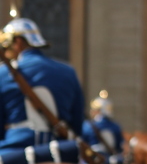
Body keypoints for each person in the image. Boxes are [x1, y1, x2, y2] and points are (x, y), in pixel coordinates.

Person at [0, 15, 84, 153]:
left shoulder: (2, 73)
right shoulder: (68, 71)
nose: (6, 53)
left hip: (16, 150)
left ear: (18, 42)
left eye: (7, 47)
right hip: (62, 151)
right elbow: (77, 124)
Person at [82, 90, 125, 164]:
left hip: (93, 160)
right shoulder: (115, 126)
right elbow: (119, 147)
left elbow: (83, 144)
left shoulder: (87, 125)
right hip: (111, 161)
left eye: (94, 110)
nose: (91, 112)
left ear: (98, 111)